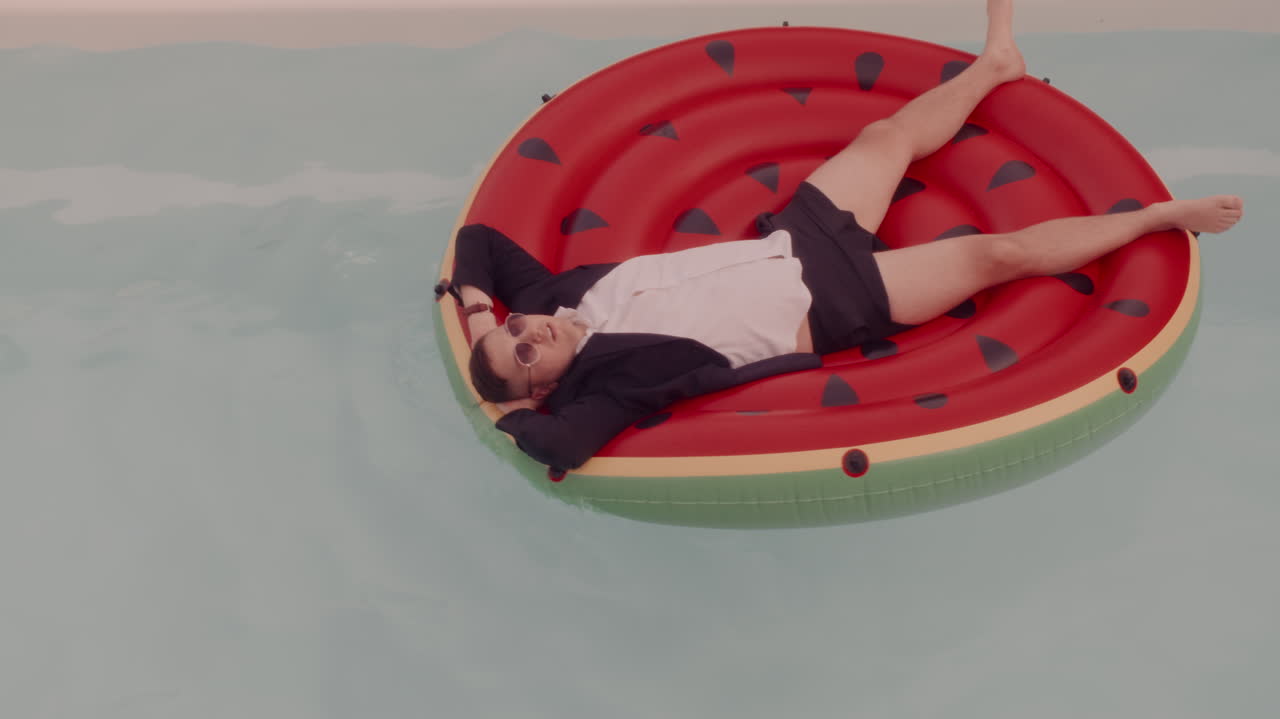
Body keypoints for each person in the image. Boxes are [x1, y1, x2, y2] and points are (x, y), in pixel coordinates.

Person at [441, 0, 1244, 470]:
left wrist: (480, 314)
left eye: (517, 328)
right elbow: (557, 445)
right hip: (836, 302)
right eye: (525, 354)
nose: (530, 331)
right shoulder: (609, 386)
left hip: (790, 241)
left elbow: (479, 241)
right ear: (541, 385)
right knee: (997, 256)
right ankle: (1156, 217)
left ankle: (996, 63)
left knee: (884, 138)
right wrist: (501, 403)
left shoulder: (552, 298)